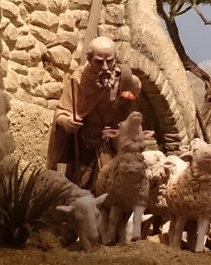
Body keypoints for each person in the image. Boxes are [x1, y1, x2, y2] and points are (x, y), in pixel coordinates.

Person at [46, 36, 142, 190]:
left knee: (112, 186)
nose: (105, 67)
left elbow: (132, 97)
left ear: (115, 58)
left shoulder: (125, 79)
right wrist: (67, 122)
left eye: (109, 61)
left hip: (111, 143)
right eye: (98, 62)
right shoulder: (79, 79)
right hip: (85, 145)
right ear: (89, 59)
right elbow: (61, 112)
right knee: (81, 188)